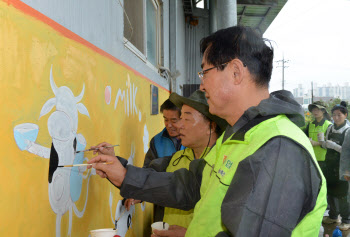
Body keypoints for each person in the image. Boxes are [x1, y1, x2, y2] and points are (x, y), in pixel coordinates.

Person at [88, 26, 327, 236]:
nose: (201, 84)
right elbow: (191, 185)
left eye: (205, 72)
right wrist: (125, 175)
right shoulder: (235, 137)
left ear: (235, 72)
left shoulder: (279, 148)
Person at [125, 90, 227, 230]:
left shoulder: (225, 165)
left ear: (211, 126)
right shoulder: (174, 160)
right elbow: (148, 176)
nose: (179, 126)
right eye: (180, 119)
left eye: (186, 119)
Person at [321, 101, 350, 230]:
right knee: (331, 191)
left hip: (342, 167)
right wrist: (322, 142)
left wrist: (333, 145)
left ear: (345, 115)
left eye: (339, 115)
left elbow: (347, 151)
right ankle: (333, 216)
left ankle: (346, 220)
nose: (336, 118)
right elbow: (325, 145)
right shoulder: (330, 128)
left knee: (343, 194)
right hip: (330, 165)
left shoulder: (348, 130)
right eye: (334, 115)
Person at [143, 99, 185, 168]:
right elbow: (147, 170)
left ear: (184, 119)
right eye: (166, 120)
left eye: (174, 121)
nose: (169, 125)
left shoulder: (194, 140)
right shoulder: (156, 141)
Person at [305, 101, 332, 173]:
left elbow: (331, 141)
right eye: (313, 110)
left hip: (324, 159)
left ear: (323, 111)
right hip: (311, 158)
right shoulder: (310, 124)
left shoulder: (328, 125)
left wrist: (317, 143)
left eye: (317, 110)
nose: (315, 112)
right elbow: (305, 136)